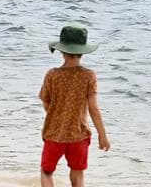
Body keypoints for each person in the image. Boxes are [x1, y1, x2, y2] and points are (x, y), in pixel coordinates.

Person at [39, 23, 111, 187]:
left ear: (62, 51)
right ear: (82, 52)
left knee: (46, 172)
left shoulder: (52, 75)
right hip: (79, 135)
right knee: (78, 176)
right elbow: (94, 109)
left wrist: (56, 116)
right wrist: (102, 135)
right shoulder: (89, 76)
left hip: (54, 135)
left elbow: (46, 102)